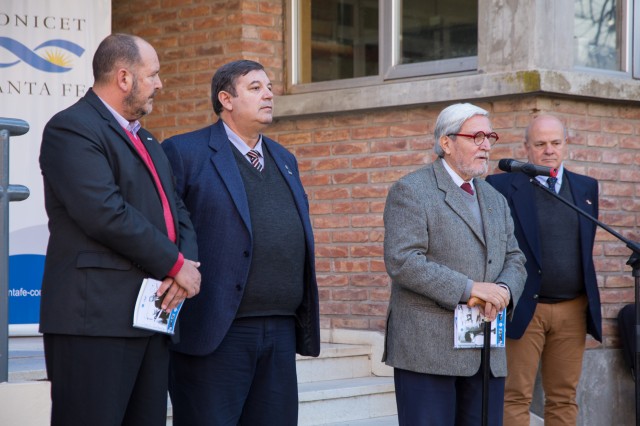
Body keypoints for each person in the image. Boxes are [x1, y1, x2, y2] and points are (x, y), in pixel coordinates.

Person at [39, 33, 201, 426]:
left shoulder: (146, 138)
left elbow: (176, 208)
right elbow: (104, 212)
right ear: (124, 78)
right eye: (153, 74)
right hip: (94, 321)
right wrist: (174, 264)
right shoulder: (72, 128)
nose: (160, 84)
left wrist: (185, 266)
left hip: (150, 317)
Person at [161, 59, 320, 425]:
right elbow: (167, 227)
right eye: (255, 87)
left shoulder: (284, 158)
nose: (269, 95)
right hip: (216, 330)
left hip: (280, 329)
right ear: (226, 99)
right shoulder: (185, 152)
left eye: (269, 87)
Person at [382, 102, 526, 425]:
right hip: (429, 351)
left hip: (485, 349)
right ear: (446, 143)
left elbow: (515, 257)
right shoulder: (411, 190)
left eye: (490, 137)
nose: (486, 145)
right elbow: (403, 260)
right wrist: (470, 289)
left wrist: (503, 290)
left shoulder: (495, 198)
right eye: (476, 137)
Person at [486, 114, 600, 425]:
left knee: (564, 396)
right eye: (540, 144)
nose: (549, 150)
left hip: (572, 309)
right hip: (523, 306)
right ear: (526, 147)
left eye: (555, 142)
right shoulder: (501, 186)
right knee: (514, 395)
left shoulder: (586, 187)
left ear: (566, 144)